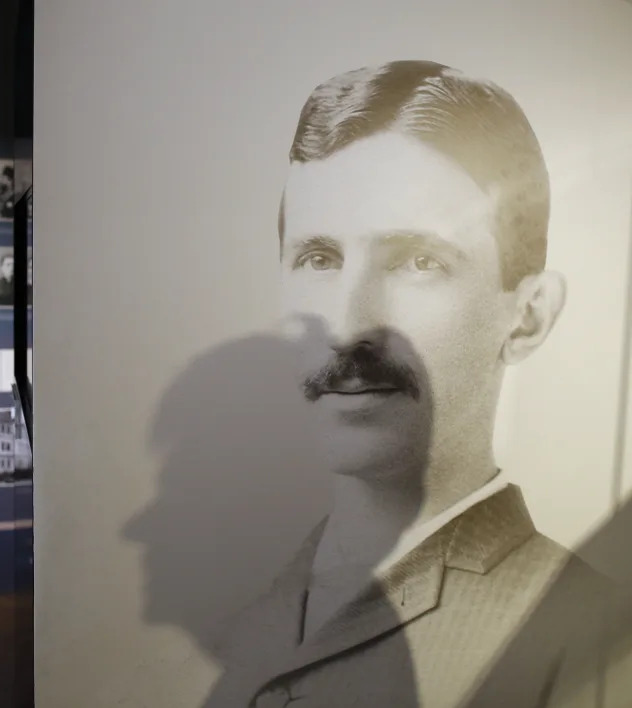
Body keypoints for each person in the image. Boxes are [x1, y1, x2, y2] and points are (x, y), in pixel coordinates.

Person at [200, 60, 614, 707]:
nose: (347, 325)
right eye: (319, 258)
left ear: (527, 316)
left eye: (419, 261)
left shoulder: (594, 641)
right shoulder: (255, 608)